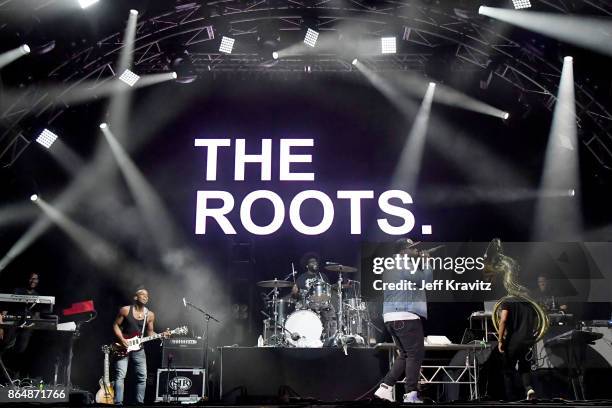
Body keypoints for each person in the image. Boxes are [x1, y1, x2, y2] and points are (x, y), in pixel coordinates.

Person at [374, 238, 433, 404]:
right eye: (412, 248)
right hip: (405, 315)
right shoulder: (404, 263)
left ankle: (385, 387)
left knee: (406, 355)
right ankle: (411, 394)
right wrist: (427, 263)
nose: (416, 251)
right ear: (402, 251)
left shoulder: (392, 264)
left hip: (391, 316)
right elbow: (424, 282)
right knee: (415, 354)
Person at [112, 288, 167, 404]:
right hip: (123, 347)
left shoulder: (150, 315)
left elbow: (150, 333)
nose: (145, 297)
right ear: (135, 297)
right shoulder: (125, 310)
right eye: (142, 294)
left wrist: (161, 335)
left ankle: (139, 403)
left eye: (147, 295)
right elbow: (115, 325)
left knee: (142, 377)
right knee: (120, 375)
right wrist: (121, 339)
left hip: (139, 349)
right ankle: (118, 403)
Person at [497, 296, 538, 400]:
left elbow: (503, 320)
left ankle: (510, 398)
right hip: (527, 340)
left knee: (508, 370)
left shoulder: (508, 301)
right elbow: (536, 321)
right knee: (525, 368)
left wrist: (500, 340)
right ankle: (529, 389)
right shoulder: (530, 302)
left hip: (513, 340)